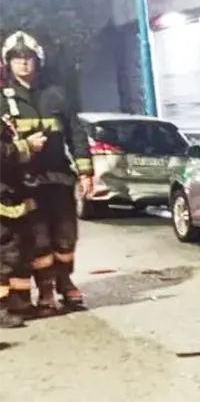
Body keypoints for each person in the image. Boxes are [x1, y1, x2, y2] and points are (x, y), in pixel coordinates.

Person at [0, 31, 93, 314]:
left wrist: (86, 171)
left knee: (66, 237)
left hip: (59, 177)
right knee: (38, 240)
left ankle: (66, 282)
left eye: (28, 57)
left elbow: (76, 133)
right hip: (26, 182)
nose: (23, 63)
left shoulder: (57, 94)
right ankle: (46, 292)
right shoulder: (4, 98)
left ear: (38, 60)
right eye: (17, 58)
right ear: (8, 63)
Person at [0, 115, 47, 327]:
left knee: (17, 252)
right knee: (5, 255)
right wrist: (26, 146)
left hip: (11, 192)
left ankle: (18, 304)